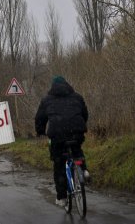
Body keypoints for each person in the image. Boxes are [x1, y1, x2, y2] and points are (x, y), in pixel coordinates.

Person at [35, 75, 90, 208]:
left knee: (59, 164)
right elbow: (85, 114)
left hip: (58, 136)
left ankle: (62, 197)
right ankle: (84, 170)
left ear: (52, 87)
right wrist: (79, 126)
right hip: (76, 132)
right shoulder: (77, 96)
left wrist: (40, 131)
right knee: (76, 149)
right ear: (67, 84)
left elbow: (40, 118)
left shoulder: (47, 100)